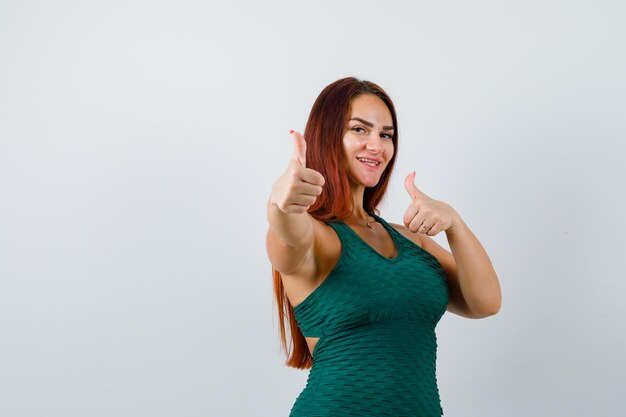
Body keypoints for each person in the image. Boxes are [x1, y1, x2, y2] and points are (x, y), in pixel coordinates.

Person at [266, 77, 502, 416]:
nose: (376, 145)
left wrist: (455, 224)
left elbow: (486, 302)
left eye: (386, 134)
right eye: (360, 130)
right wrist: (280, 203)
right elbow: (287, 234)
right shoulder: (316, 237)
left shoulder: (412, 240)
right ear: (327, 136)